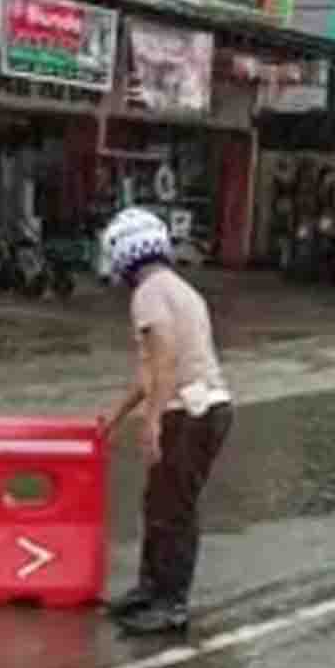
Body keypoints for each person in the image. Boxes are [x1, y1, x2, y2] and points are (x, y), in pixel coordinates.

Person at [100, 207, 232, 636]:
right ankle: (150, 589)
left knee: (173, 509)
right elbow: (151, 371)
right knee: (159, 505)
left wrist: (152, 423)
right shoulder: (177, 288)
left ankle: (171, 603)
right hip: (204, 409)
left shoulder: (149, 294)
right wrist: (117, 416)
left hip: (190, 413)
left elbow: (165, 361)